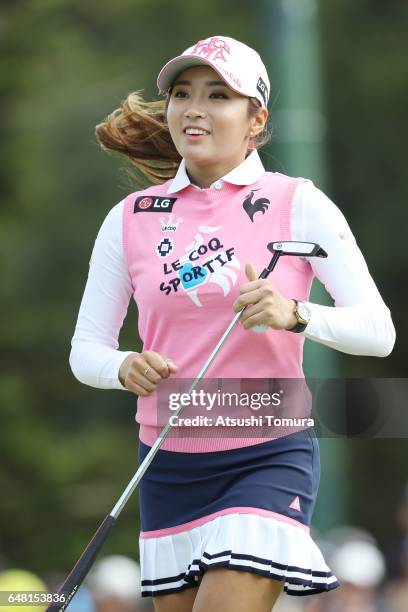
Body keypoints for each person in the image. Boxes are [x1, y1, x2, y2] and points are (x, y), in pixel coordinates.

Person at [69, 35, 396, 612]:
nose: (194, 108)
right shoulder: (129, 218)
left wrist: (296, 314)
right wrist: (125, 366)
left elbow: (379, 330)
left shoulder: (297, 202)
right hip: (167, 460)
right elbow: (85, 351)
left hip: (267, 452)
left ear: (256, 119)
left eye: (219, 95)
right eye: (182, 94)